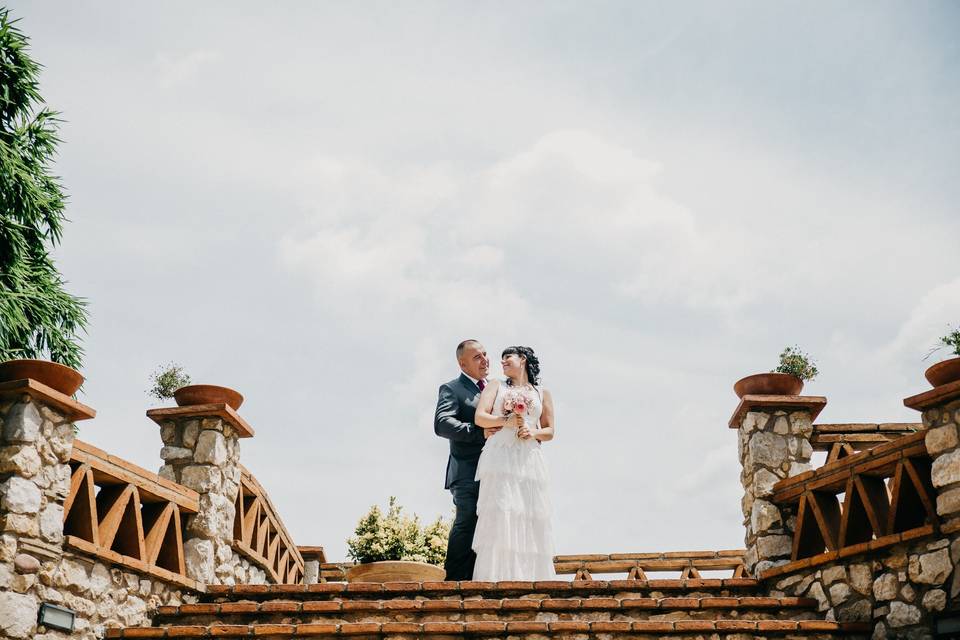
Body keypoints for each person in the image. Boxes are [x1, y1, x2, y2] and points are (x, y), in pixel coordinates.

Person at [471, 346, 556, 581]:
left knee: (529, 513)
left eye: (508, 357)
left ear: (523, 360)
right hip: (500, 456)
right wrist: (505, 421)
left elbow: (549, 430)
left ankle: (530, 579)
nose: (503, 362)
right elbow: (480, 417)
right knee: (502, 510)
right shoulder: (496, 386)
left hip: (528, 459)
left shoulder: (542, 393)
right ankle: (496, 578)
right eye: (502, 359)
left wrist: (533, 432)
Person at [433, 339, 492, 580]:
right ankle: (456, 583)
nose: (485, 360)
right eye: (477, 357)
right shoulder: (452, 388)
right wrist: (479, 432)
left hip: (496, 471)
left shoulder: (496, 389)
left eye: (485, 354)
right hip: (467, 471)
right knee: (467, 521)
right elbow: (442, 423)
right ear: (462, 363)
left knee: (491, 525)